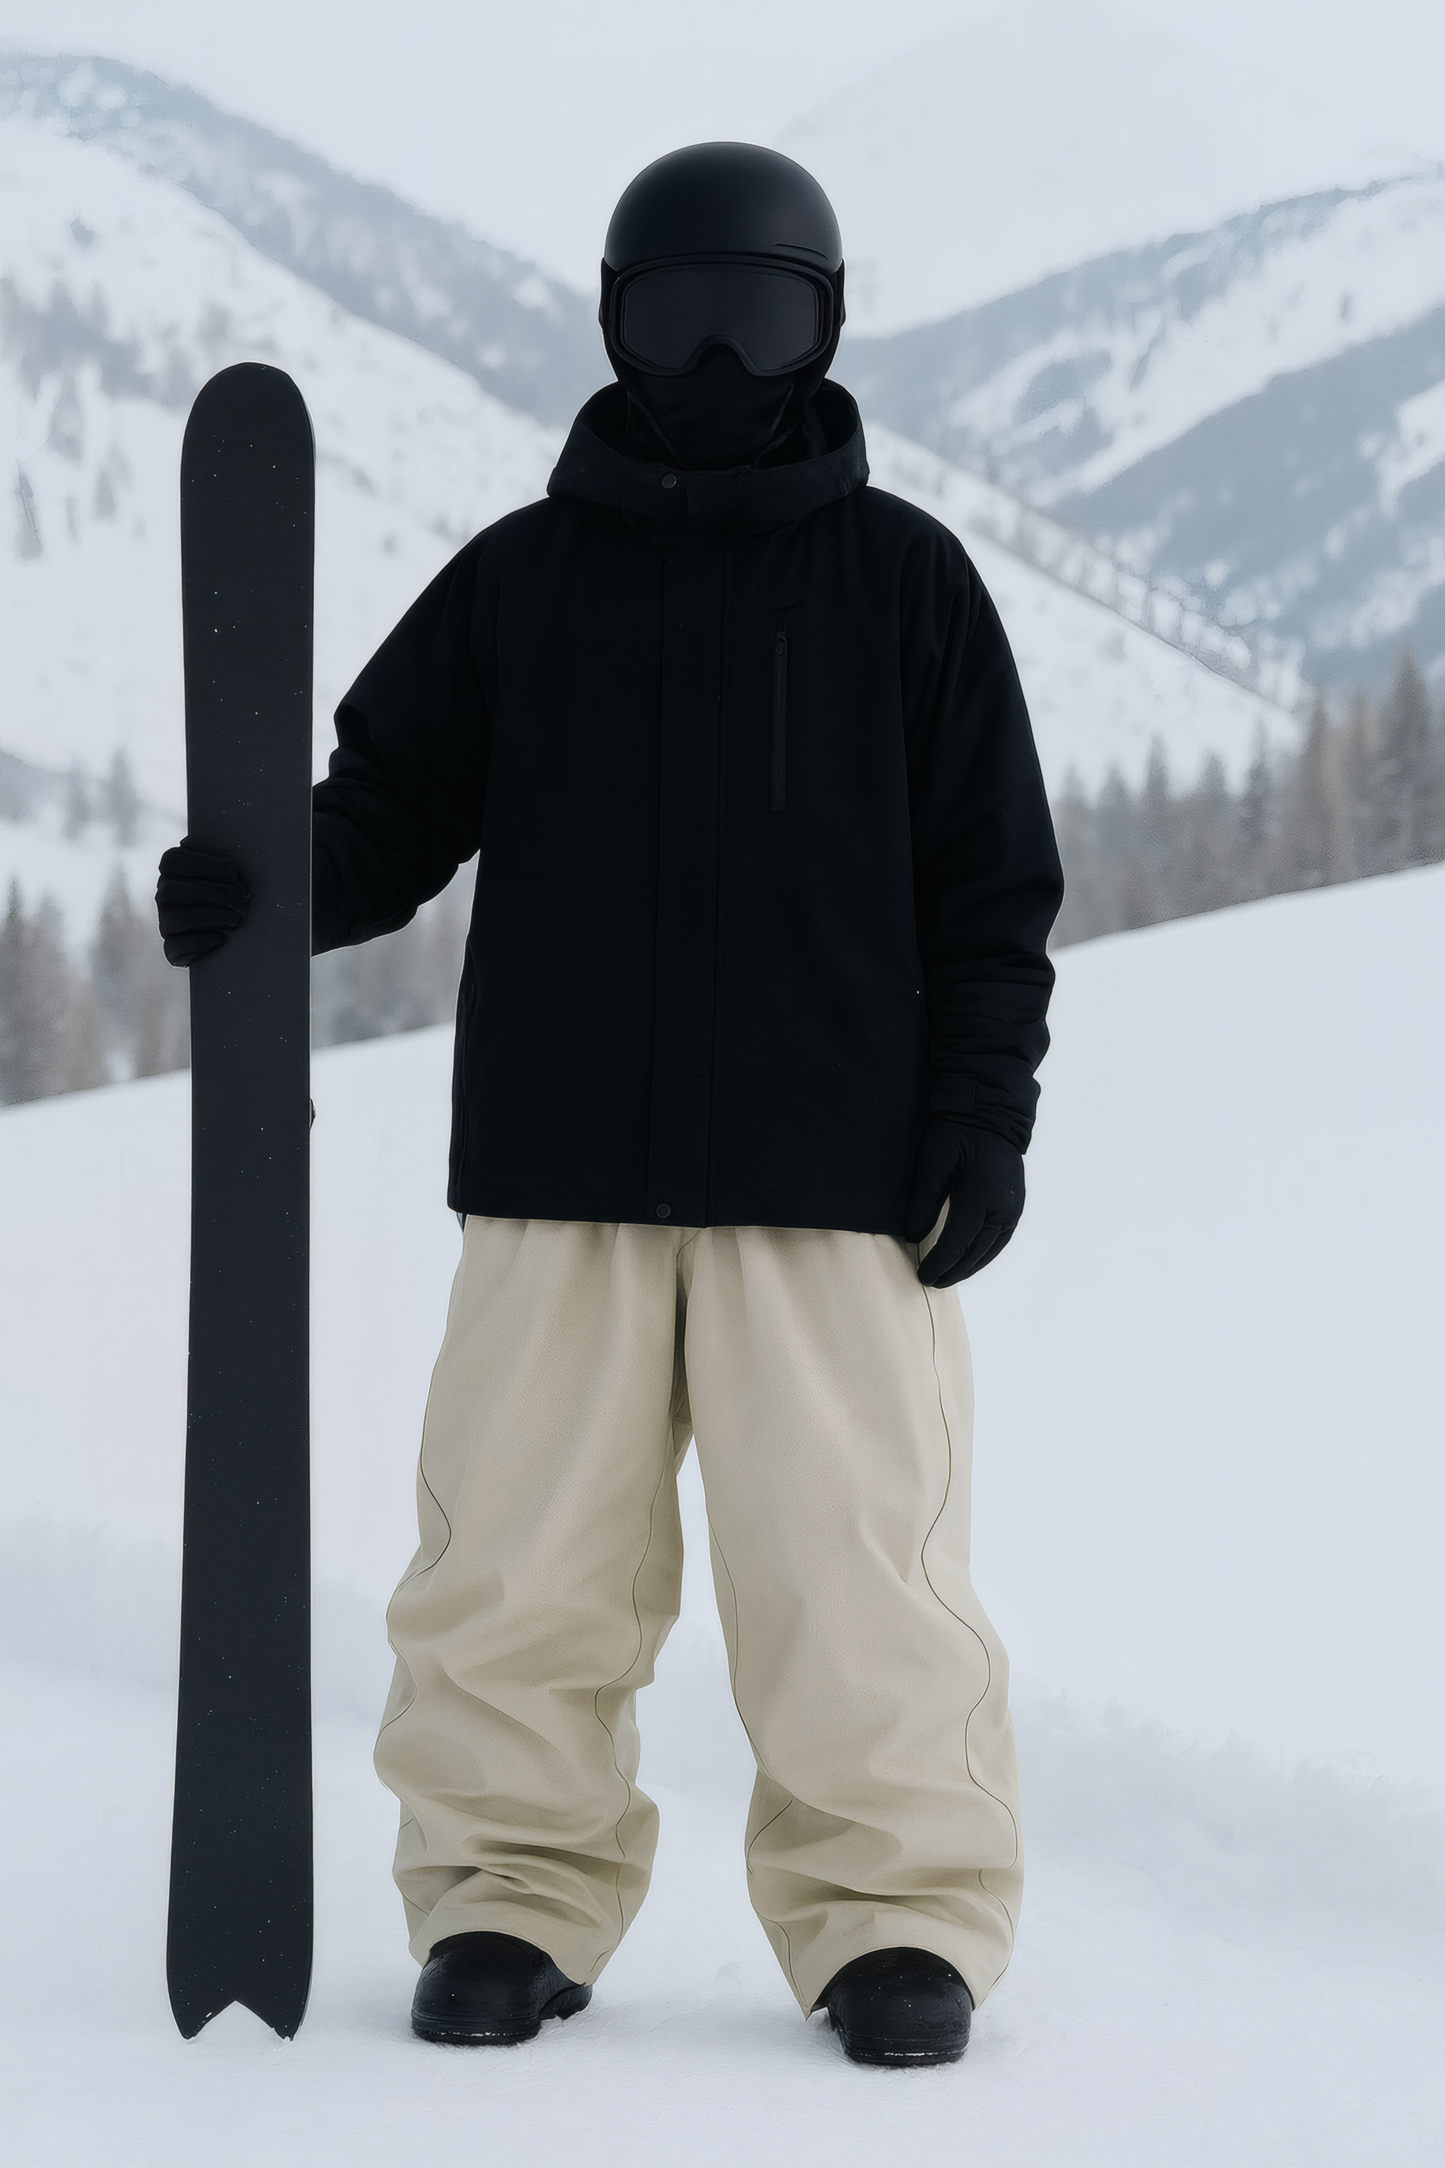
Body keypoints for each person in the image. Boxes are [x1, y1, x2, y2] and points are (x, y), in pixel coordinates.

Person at [157, 142, 1063, 2068]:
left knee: (852, 1568)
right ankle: (506, 1892)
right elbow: (386, 815)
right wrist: (265, 882)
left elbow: (996, 897)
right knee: (512, 1557)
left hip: (834, 1183)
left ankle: (895, 1915)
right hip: (560, 1175)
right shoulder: (525, 583)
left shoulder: (907, 585)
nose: (721, 367)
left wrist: (983, 1120)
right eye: (681, 319)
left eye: (759, 319)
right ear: (615, 325)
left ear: (822, 328)